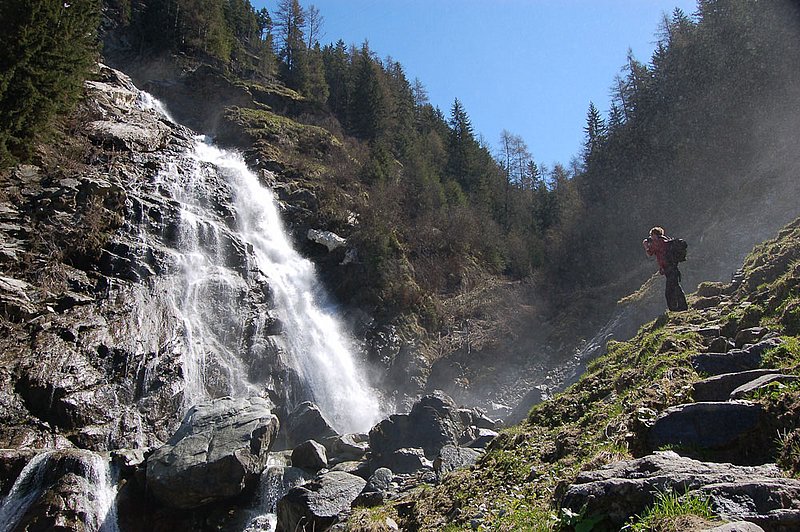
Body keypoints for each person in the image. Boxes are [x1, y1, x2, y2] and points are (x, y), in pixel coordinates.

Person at [643, 226, 688, 311]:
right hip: (672, 268)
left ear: (655, 235)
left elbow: (650, 254)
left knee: (669, 291)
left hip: (670, 269)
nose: (651, 237)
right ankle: (681, 307)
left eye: (652, 235)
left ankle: (676, 308)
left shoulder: (659, 242)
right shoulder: (665, 241)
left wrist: (646, 246)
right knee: (675, 287)